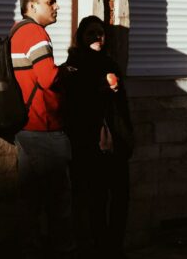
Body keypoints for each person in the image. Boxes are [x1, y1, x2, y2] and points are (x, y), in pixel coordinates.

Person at [11, 0, 75, 259]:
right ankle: (62, 250)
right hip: (45, 127)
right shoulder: (35, 33)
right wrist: (68, 71)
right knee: (60, 200)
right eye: (51, 1)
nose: (56, 6)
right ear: (32, 6)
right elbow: (48, 78)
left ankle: (30, 249)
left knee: (31, 200)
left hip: (26, 126)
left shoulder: (16, 31)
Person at [63, 16, 134, 259]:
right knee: (94, 199)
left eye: (100, 33)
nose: (97, 37)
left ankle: (114, 247)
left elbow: (122, 108)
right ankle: (97, 248)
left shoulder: (111, 64)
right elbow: (73, 105)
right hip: (87, 145)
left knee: (120, 198)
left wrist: (127, 139)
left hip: (116, 144)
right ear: (81, 37)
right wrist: (98, 90)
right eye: (91, 33)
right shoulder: (72, 66)